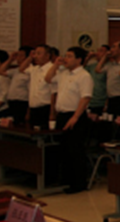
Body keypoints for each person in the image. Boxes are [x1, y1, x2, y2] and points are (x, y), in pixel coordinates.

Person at [44, 47, 93, 194]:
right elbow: (48, 79)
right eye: (65, 56)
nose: (66, 59)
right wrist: (55, 65)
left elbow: (85, 98)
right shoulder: (63, 73)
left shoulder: (84, 76)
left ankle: (78, 183)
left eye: (70, 56)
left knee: (75, 150)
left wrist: (75, 117)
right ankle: (66, 179)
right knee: (64, 149)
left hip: (76, 115)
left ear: (79, 60)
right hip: (62, 115)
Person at [18, 45, 56, 128]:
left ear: (47, 55)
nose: (36, 56)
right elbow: (21, 69)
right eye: (35, 54)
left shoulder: (52, 69)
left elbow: (54, 92)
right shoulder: (35, 69)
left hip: (45, 108)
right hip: (33, 108)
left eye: (39, 54)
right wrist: (30, 57)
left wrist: (52, 113)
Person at [0, 47, 32, 125]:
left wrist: (28, 111)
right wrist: (10, 59)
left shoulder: (31, 71)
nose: (18, 58)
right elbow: (0, 71)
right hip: (12, 102)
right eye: (17, 55)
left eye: (21, 55)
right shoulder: (16, 70)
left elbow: (31, 92)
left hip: (23, 103)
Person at [96, 42, 120, 116]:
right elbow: (97, 70)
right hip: (111, 99)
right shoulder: (110, 64)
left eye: (114, 47)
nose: (111, 50)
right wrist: (105, 56)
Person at [85, 45, 109, 116]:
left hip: (102, 102)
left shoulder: (108, 66)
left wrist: (106, 104)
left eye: (101, 51)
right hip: (91, 101)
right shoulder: (92, 66)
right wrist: (88, 58)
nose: (97, 53)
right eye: (97, 51)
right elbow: (81, 70)